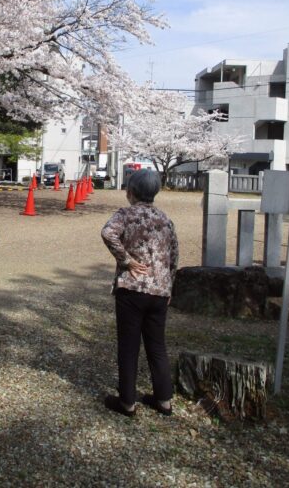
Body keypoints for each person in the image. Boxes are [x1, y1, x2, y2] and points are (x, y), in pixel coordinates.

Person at [100, 169, 179, 417]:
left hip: (132, 288)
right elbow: (174, 256)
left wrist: (126, 260)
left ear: (130, 191)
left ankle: (127, 402)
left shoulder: (126, 214)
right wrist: (169, 286)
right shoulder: (165, 219)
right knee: (157, 345)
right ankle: (164, 399)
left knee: (129, 345)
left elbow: (107, 232)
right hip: (159, 290)